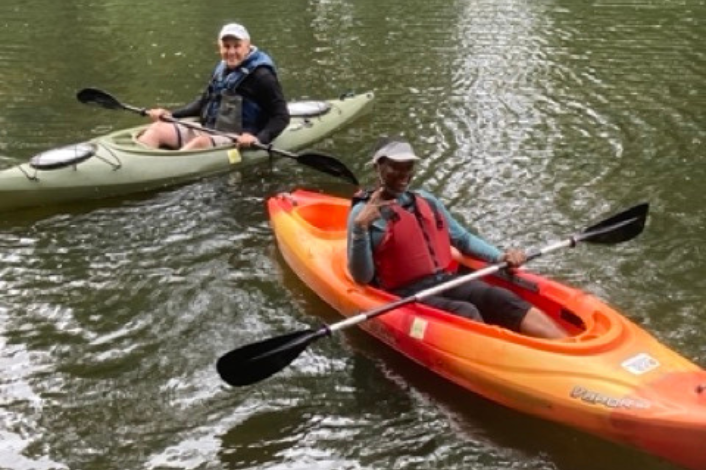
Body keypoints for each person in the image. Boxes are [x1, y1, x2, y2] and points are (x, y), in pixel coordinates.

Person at [346, 136, 568, 339]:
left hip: (444, 279)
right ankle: (506, 360)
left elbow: (463, 239)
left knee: (500, 297)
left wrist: (500, 256)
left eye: (408, 166)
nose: (404, 173)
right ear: (378, 167)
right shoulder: (363, 214)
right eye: (395, 166)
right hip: (405, 294)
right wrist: (359, 230)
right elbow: (362, 278)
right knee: (465, 312)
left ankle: (565, 345)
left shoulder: (426, 200)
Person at [138, 22, 290, 150]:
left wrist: (259, 139)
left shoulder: (262, 76)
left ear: (247, 46)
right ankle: (137, 165)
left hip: (237, 137)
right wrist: (171, 115)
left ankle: (164, 168)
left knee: (200, 143)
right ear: (219, 47)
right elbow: (204, 102)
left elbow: (281, 116)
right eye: (226, 46)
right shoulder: (222, 69)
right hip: (209, 129)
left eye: (237, 46)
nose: (231, 52)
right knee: (157, 128)